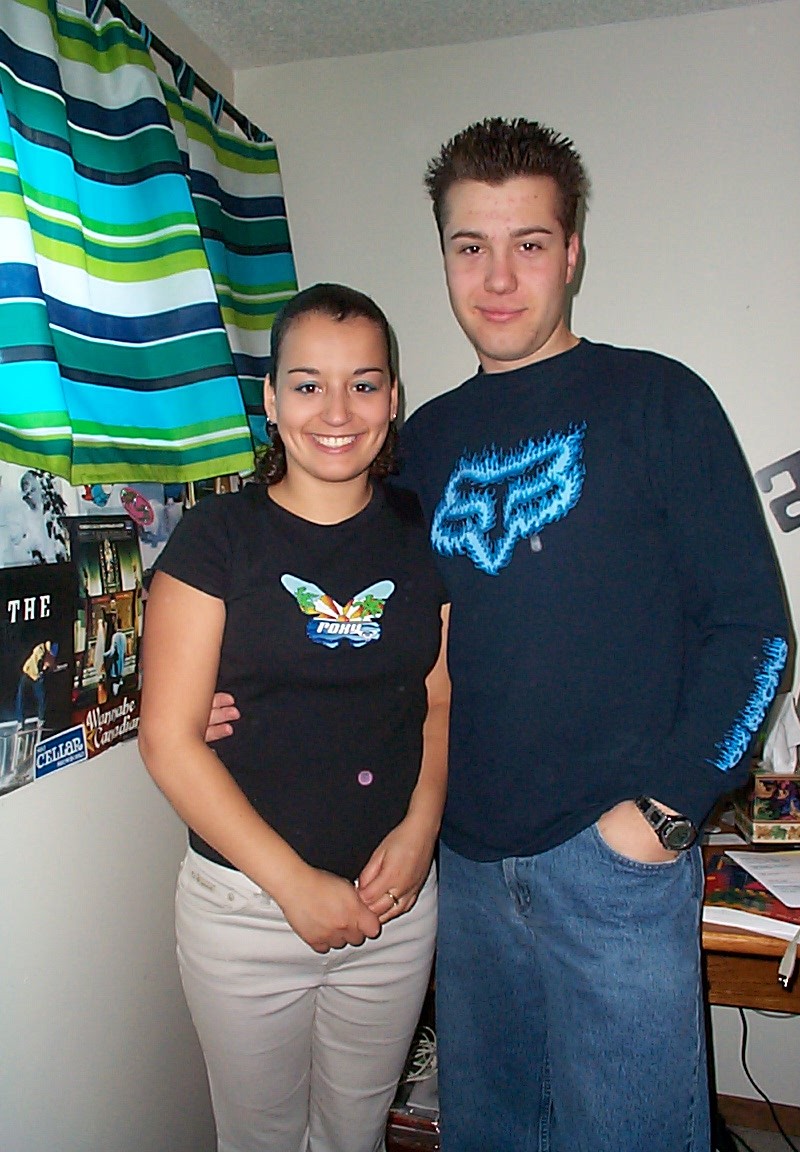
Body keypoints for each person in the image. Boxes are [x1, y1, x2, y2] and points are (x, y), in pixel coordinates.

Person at [207, 119, 789, 1152]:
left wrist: (665, 812)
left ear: (572, 253)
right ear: (444, 257)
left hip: (612, 865)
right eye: (470, 245)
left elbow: (756, 632)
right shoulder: (418, 441)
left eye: (529, 242)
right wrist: (243, 695)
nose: (499, 276)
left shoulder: (659, 400)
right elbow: (374, 631)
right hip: (463, 872)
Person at [139, 283, 450, 1152]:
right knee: (260, 1139)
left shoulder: (422, 534)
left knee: (356, 1135)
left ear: (393, 398)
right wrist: (293, 885)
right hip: (246, 910)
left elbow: (437, 696)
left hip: (394, 905)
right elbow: (167, 741)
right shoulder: (216, 538)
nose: (337, 411)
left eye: (364, 383)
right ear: (272, 401)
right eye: (308, 384)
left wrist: (422, 829)